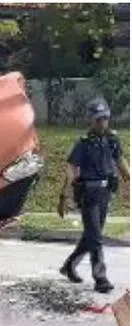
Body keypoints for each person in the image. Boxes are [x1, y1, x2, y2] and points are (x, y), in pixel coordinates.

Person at [58, 98, 130, 293]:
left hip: (105, 193)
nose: (103, 122)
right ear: (90, 120)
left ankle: (69, 265)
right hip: (88, 194)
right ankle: (100, 278)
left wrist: (128, 180)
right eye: (98, 119)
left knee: (91, 235)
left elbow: (121, 161)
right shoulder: (83, 143)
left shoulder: (112, 139)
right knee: (96, 237)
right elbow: (71, 168)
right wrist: (65, 196)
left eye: (105, 118)